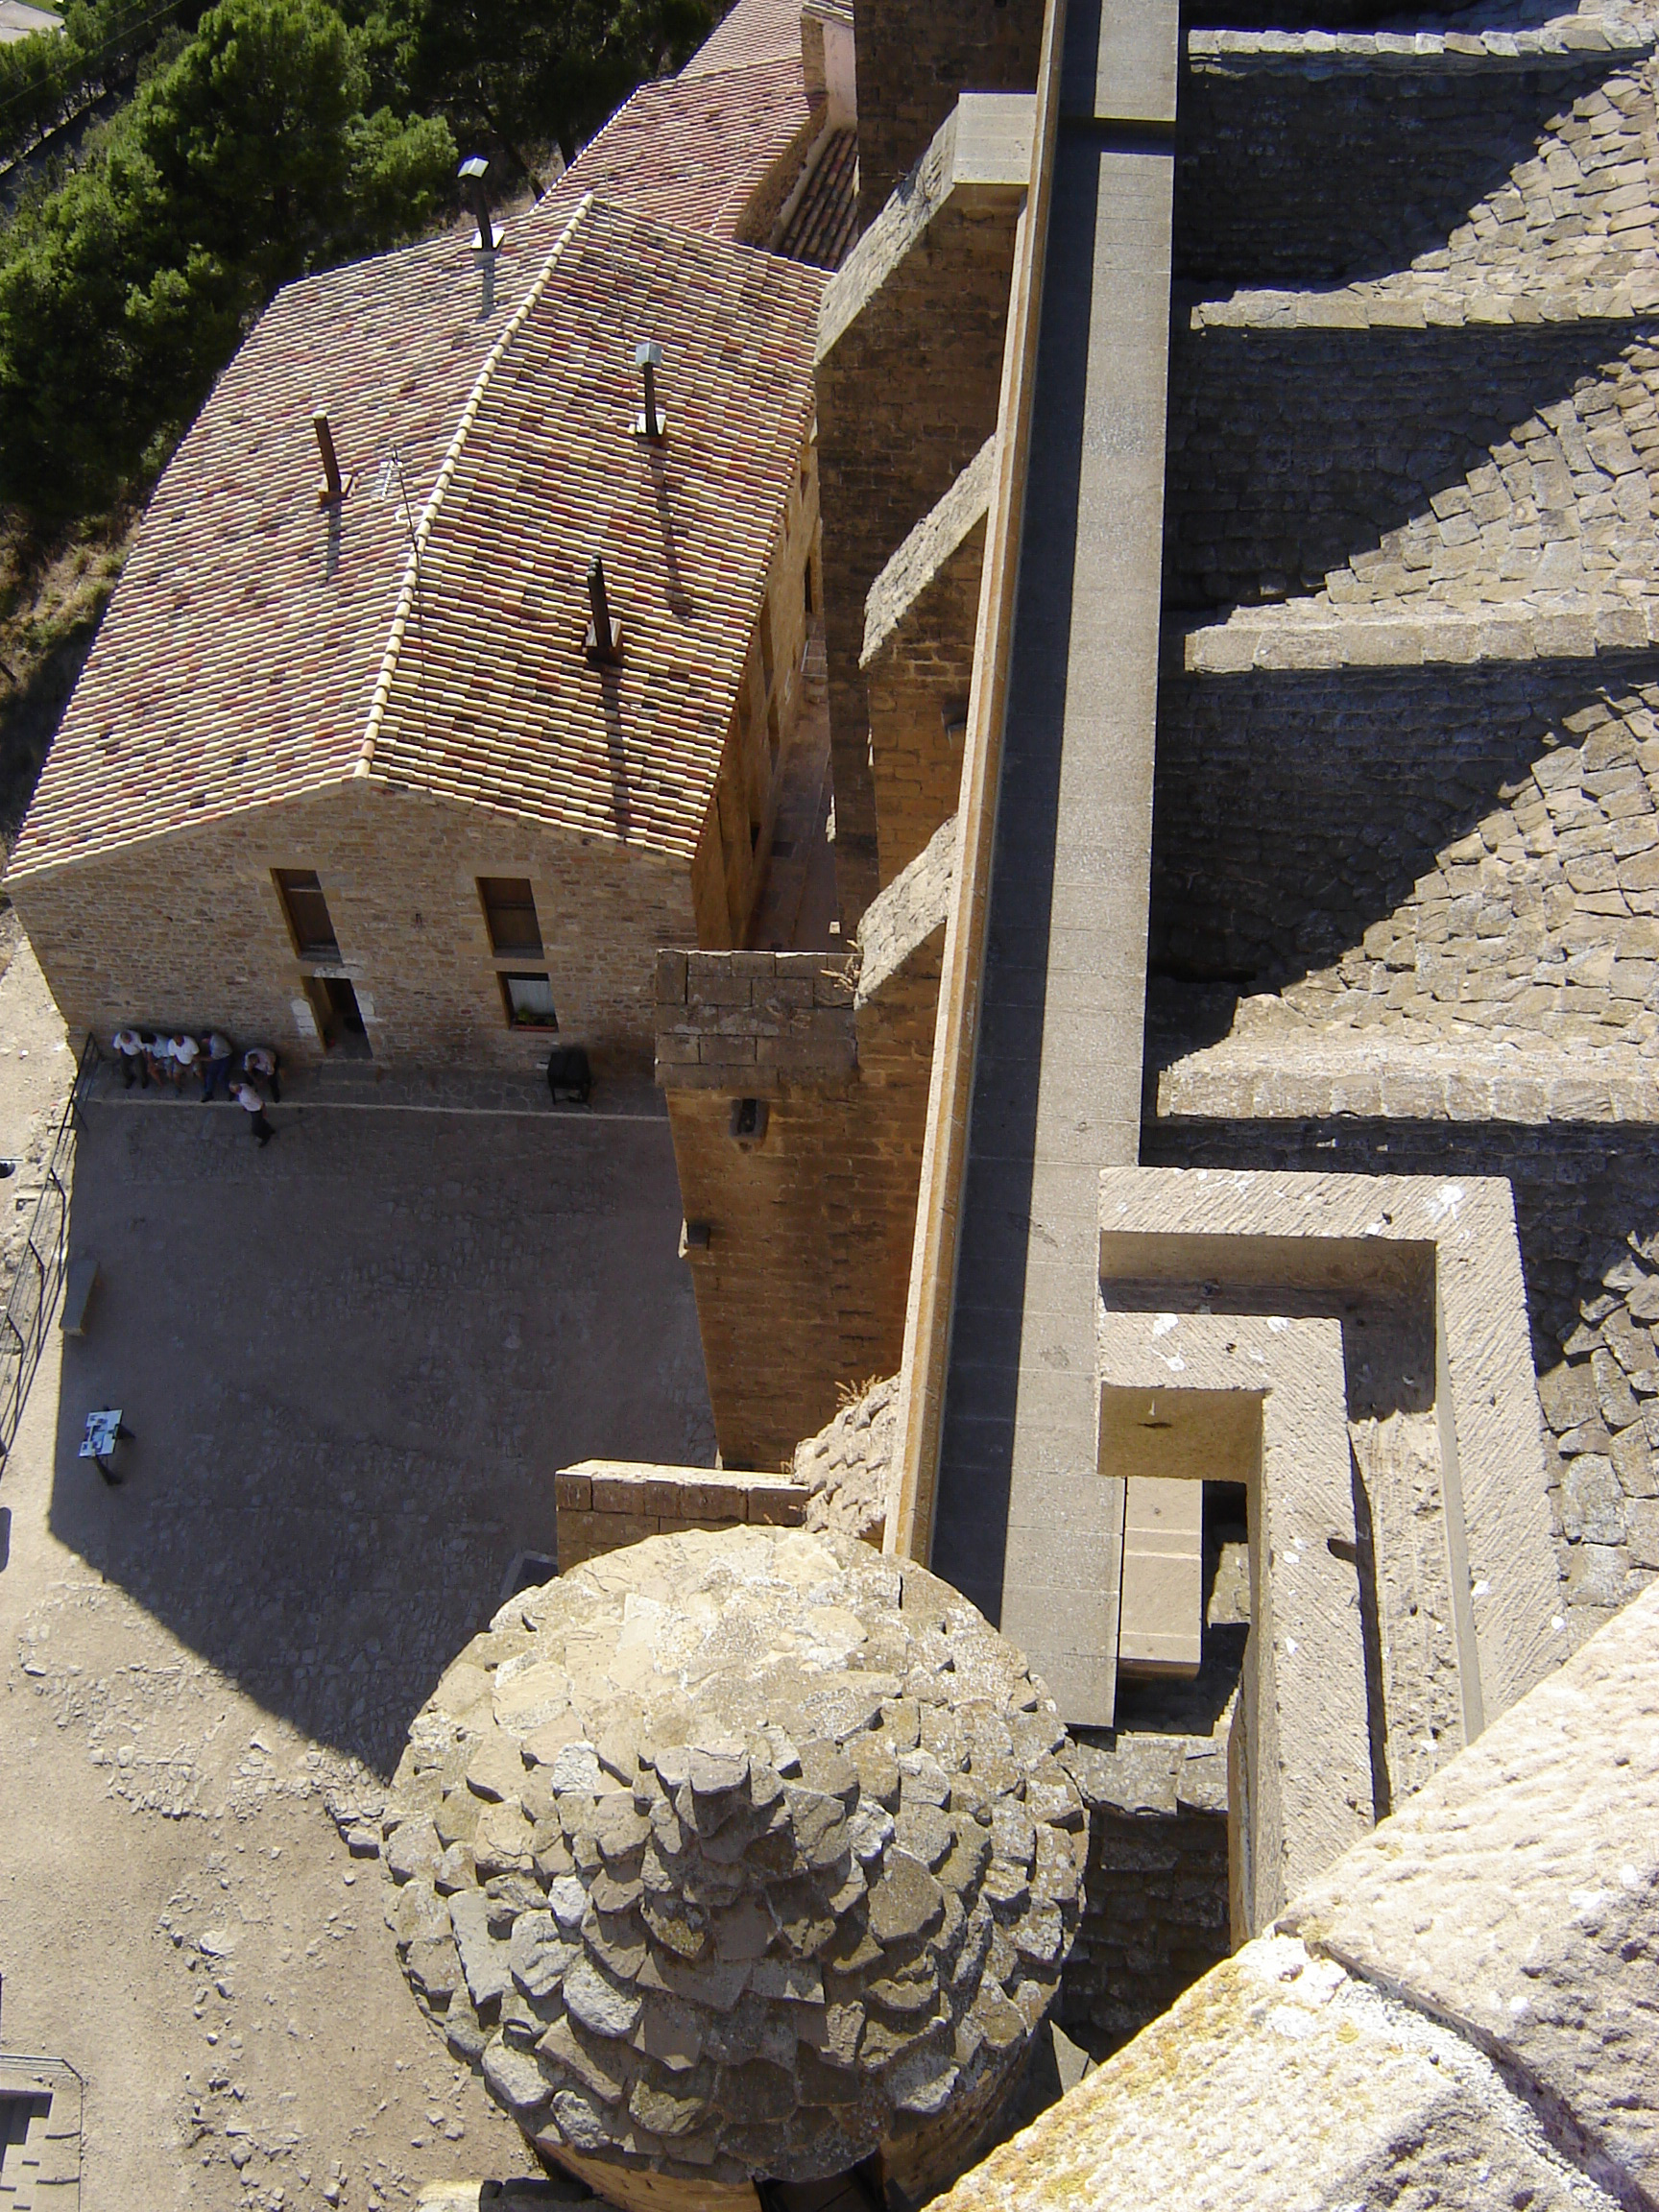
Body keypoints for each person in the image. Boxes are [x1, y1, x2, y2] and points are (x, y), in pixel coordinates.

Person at [231, 1077, 276, 1145]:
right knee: (261, 1122)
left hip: (256, 1110)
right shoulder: (243, 1086)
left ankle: (265, 1137)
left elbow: (261, 1103)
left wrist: (264, 1112)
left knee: (255, 1129)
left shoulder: (248, 1096)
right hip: (252, 1109)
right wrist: (245, 1107)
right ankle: (269, 1130)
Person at [200, 1032, 235, 1102]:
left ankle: (231, 1090)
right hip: (220, 1057)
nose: (204, 1043)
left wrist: (199, 1058)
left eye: (203, 1041)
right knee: (210, 1074)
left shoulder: (217, 1044)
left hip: (227, 1058)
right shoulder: (214, 1038)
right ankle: (209, 1093)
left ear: (206, 1039)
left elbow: (211, 1058)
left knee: (221, 1077)